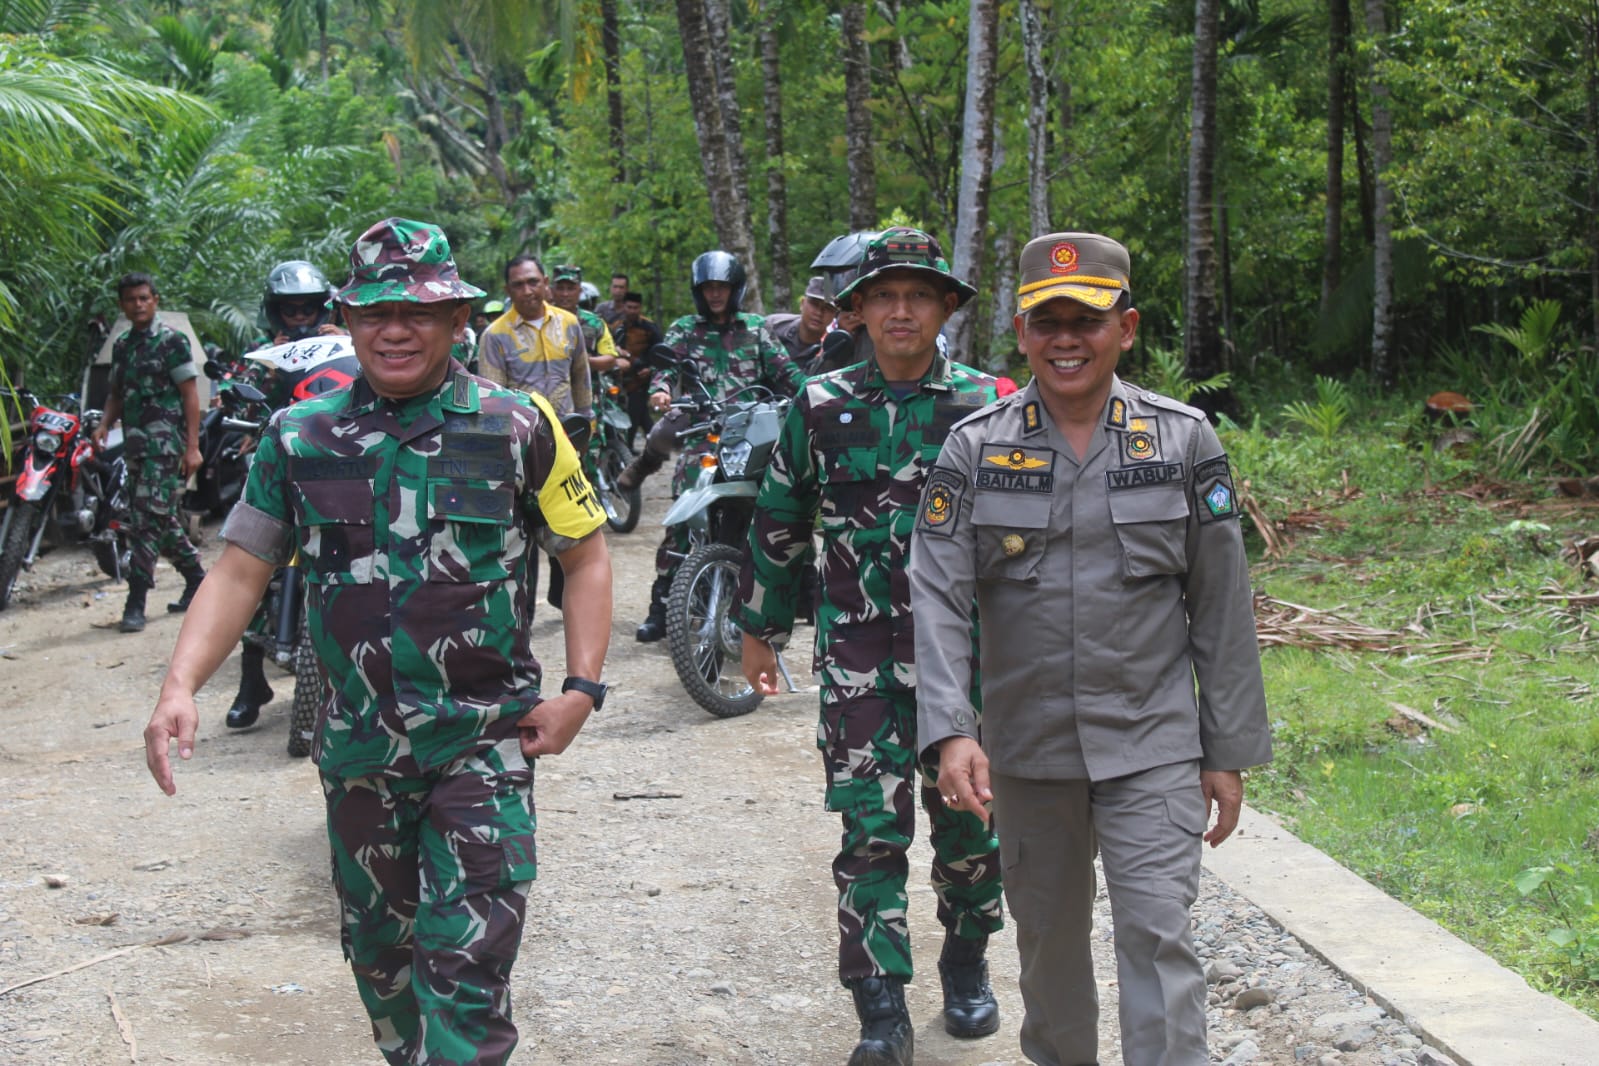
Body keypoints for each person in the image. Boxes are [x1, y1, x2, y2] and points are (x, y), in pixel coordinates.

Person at [141, 217, 613, 1066]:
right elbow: (242, 568)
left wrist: (581, 689)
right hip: (358, 750)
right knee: (380, 961)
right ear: (347, 321)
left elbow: (583, 555)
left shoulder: (516, 422)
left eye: (419, 312)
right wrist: (179, 685)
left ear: (456, 318)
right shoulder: (300, 436)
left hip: (482, 743)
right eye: (374, 312)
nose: (395, 329)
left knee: (468, 966)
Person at [909, 232, 1273, 1066]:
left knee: (1158, 936)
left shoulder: (1181, 441)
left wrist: (1225, 749)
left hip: (1150, 743)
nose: (1066, 338)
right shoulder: (976, 447)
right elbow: (935, 592)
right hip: (1028, 749)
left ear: (1126, 327)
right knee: (1047, 948)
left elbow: (1219, 605)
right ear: (1022, 333)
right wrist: (951, 729)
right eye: (1047, 322)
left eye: (1087, 319)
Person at [733, 227, 1003, 1066]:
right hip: (858, 663)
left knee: (970, 833)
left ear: (944, 308)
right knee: (867, 835)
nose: (899, 310)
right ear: (855, 311)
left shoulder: (991, 405)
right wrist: (758, 630)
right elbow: (779, 517)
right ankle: (879, 1007)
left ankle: (966, 962)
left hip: (966, 666)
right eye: (883, 296)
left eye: (917, 295)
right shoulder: (817, 408)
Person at [617, 250, 805, 642]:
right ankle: (663, 605)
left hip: (754, 436)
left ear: (735, 289)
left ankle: (780, 600)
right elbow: (665, 369)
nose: (715, 294)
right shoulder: (686, 328)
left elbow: (788, 373)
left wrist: (813, 396)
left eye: (722, 287)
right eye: (708, 288)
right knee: (685, 513)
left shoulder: (755, 328)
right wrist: (662, 391)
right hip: (704, 432)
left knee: (773, 510)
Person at [227, 260, 349, 729]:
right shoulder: (264, 355)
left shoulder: (349, 344)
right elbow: (230, 393)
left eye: (308, 308)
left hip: (342, 465)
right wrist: (268, 365)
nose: (300, 318)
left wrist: (344, 344)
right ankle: (249, 680)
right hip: (282, 466)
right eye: (289, 310)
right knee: (253, 563)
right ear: (275, 312)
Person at [479, 256, 594, 615]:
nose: (527, 290)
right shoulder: (495, 335)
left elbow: (580, 377)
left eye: (533, 282)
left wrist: (587, 424)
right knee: (522, 528)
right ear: (508, 289)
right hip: (520, 446)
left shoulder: (570, 324)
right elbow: (493, 397)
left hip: (567, 441)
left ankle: (565, 597)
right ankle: (522, 609)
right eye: (518, 284)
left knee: (572, 523)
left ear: (545, 282)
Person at [92, 273, 205, 633]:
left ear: (155, 300)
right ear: (122, 305)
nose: (138, 304)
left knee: (144, 522)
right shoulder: (123, 345)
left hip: (165, 445)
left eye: (143, 298)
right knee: (156, 517)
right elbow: (116, 393)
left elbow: (190, 395)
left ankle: (136, 600)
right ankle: (197, 576)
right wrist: (104, 425)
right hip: (136, 445)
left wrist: (193, 448)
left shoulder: (172, 341)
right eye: (130, 299)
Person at [610, 291, 664, 448]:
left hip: (641, 378)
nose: (632, 311)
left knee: (635, 411)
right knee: (639, 415)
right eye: (629, 307)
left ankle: (629, 446)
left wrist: (651, 368)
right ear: (624, 307)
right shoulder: (615, 325)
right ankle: (658, 443)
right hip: (619, 378)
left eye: (635, 307)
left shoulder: (649, 327)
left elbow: (660, 351)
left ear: (640, 308)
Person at [549, 264, 623, 375]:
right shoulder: (542, 319)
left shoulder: (594, 323)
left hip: (587, 388)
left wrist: (583, 361)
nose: (565, 294)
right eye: (560, 288)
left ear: (579, 291)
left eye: (571, 289)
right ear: (552, 290)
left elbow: (610, 359)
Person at [762, 275, 837, 362]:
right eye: (814, 304)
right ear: (802, 304)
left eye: (827, 308)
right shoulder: (772, 326)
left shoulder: (834, 346)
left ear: (835, 315)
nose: (819, 313)